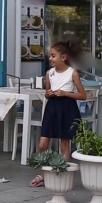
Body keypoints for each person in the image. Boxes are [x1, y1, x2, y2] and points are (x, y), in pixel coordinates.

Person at [30, 41, 86, 187]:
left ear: (63, 57)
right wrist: (48, 93)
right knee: (43, 144)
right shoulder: (50, 73)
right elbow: (47, 93)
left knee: (64, 145)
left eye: (53, 56)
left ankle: (63, 175)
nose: (50, 59)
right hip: (52, 107)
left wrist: (65, 93)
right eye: (50, 56)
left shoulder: (72, 73)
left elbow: (82, 95)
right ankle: (43, 174)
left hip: (67, 107)